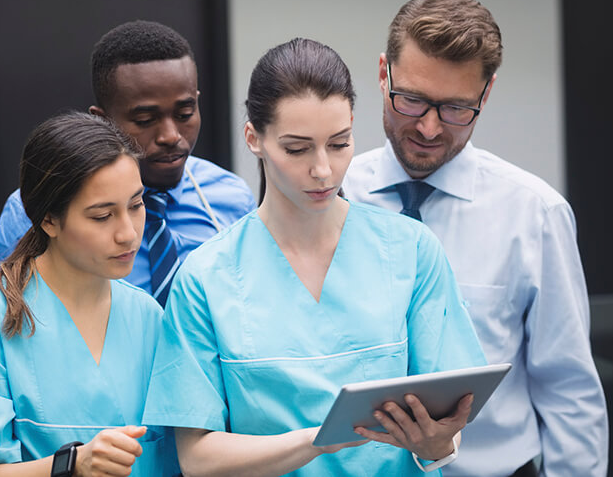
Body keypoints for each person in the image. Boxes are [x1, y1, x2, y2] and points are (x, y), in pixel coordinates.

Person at [142, 38, 487, 476]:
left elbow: (446, 417)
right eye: (297, 149)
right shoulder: (206, 277)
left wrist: (439, 442)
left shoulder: (412, 251)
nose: (323, 170)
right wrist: (319, 440)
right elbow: (196, 458)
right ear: (254, 138)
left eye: (339, 143)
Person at [343, 0, 608, 477]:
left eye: (455, 109)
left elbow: (568, 388)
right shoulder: (334, 197)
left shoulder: (536, 214)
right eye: (412, 100)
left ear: (485, 96)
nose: (428, 127)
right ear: (383, 74)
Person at [0, 112, 178, 477]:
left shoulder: (147, 316)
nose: (128, 233)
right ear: (48, 219)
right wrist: (73, 466)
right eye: (102, 216)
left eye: (136, 205)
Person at [0, 20, 256, 306]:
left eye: (185, 113)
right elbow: (9, 318)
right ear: (102, 120)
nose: (170, 136)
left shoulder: (231, 198)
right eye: (144, 120)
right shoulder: (35, 208)